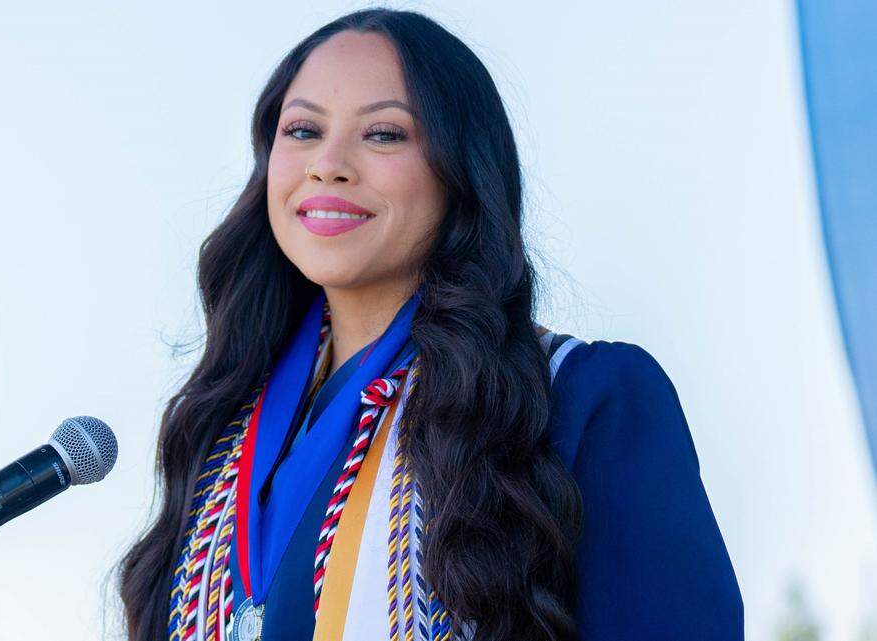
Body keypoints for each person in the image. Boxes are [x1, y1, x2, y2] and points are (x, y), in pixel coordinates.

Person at [116, 7, 743, 641]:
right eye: (303, 129)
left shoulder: (574, 399)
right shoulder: (220, 436)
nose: (327, 164)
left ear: (459, 169)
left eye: (384, 134)